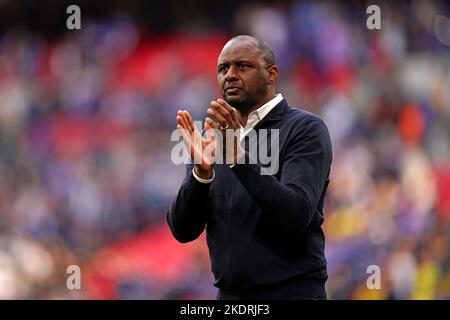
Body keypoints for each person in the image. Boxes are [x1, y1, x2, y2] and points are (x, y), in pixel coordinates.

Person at [167, 35, 332, 300]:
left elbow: (297, 214)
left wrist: (238, 158)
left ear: (271, 74)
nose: (230, 75)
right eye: (223, 68)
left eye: (242, 66)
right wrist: (201, 174)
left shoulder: (305, 129)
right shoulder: (212, 136)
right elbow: (183, 230)